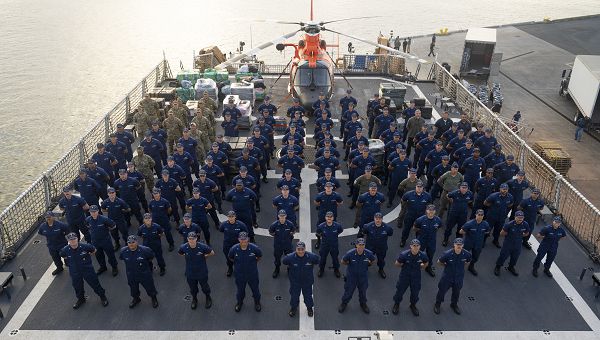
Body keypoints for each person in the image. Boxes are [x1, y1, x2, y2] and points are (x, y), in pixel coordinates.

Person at [60, 233, 109, 309]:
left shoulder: (85, 246)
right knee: (77, 286)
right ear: (68, 241)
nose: (73, 241)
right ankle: (81, 299)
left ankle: (102, 296)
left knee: (95, 283)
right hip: (75, 272)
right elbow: (63, 255)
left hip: (87, 270)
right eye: (71, 240)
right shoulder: (65, 250)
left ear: (77, 239)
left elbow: (94, 250)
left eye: (74, 239)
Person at [119, 235, 159, 308]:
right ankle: (136, 299)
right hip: (131, 274)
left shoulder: (145, 250)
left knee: (150, 287)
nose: (131, 244)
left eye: (133, 242)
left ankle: (154, 298)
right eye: (129, 242)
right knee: (133, 289)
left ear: (136, 242)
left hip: (144, 274)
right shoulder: (123, 251)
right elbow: (121, 258)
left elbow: (151, 257)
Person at [338, 238, 376, 314]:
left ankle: (363, 304)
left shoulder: (369, 253)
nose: (361, 247)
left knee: (363, 292)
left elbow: (373, 260)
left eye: (363, 245)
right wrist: (349, 264)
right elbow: (343, 261)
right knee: (348, 291)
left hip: (363, 277)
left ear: (365, 245)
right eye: (359, 245)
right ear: (356, 245)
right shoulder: (350, 253)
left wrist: (369, 264)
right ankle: (344, 303)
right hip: (352, 277)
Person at [392, 239, 429, 316]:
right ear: (411, 246)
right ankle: (396, 304)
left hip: (416, 277)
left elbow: (426, 262)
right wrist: (404, 266)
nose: (415, 247)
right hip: (405, 276)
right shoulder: (404, 255)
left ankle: (413, 305)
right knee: (400, 291)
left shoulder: (423, 255)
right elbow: (397, 263)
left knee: (415, 293)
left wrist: (422, 266)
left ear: (420, 247)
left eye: (417, 246)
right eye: (414, 246)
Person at [283, 241, 320, 317]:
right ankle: (293, 308)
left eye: (302, 249)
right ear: (296, 249)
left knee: (308, 296)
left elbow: (317, 260)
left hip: (307, 282)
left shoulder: (311, 257)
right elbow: (284, 261)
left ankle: (309, 308)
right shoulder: (290, 257)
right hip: (295, 282)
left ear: (305, 249)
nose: (300, 251)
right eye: (298, 249)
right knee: (294, 296)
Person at [178, 231, 214, 309]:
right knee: (193, 288)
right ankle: (194, 299)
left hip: (201, 271)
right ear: (187, 239)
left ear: (196, 239)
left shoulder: (202, 246)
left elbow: (212, 252)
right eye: (190, 239)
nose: (191, 240)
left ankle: (208, 297)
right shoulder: (184, 247)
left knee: (205, 287)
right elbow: (180, 253)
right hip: (190, 272)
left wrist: (206, 256)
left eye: (193, 239)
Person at [229, 232, 263, 312]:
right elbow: (231, 258)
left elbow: (259, 256)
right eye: (241, 240)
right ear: (238, 239)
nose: (243, 241)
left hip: (252, 274)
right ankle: (239, 302)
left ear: (248, 239)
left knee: (255, 290)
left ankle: (257, 302)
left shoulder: (254, 248)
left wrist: (253, 264)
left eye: (245, 239)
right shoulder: (234, 249)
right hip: (240, 275)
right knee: (240, 291)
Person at [85, 205, 119, 276]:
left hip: (106, 241)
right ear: (90, 212)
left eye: (95, 211)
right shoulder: (88, 219)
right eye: (92, 212)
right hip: (95, 242)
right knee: (98, 255)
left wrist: (106, 231)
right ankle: (103, 267)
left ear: (98, 211)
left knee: (110, 255)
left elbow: (113, 226)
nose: (93, 213)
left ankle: (114, 267)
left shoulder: (104, 219)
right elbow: (87, 226)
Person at [494, 211, 529, 276]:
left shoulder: (525, 224)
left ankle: (511, 267)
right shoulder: (509, 224)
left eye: (521, 217)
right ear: (515, 217)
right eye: (518, 217)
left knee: (515, 257)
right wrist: (510, 234)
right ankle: (498, 266)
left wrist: (519, 235)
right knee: (503, 256)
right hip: (508, 244)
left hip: (518, 244)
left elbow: (527, 233)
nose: (520, 219)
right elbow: (501, 233)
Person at [400, 181, 432, 246]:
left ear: (423, 188)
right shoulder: (408, 194)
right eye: (418, 187)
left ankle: (417, 243)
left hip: (420, 217)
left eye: (420, 187)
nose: (419, 188)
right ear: (416, 187)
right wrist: (404, 208)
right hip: (410, 216)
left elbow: (429, 205)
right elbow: (403, 200)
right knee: (406, 230)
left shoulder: (427, 196)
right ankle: (403, 241)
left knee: (419, 231)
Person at [413, 205, 442, 277]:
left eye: (432, 210)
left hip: (432, 240)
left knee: (430, 255)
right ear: (426, 211)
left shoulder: (438, 220)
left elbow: (438, 227)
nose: (431, 212)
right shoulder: (420, 220)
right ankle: (415, 267)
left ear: (435, 211)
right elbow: (415, 228)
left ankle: (428, 267)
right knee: (418, 254)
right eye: (429, 210)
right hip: (421, 240)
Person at [459, 210, 490, 275]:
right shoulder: (469, 223)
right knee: (463, 255)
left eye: (481, 215)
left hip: (478, 244)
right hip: (468, 243)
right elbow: (461, 231)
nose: (480, 216)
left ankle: (471, 266)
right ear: (476, 215)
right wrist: (468, 233)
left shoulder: (485, 224)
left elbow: (487, 231)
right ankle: (460, 267)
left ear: (483, 216)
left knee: (475, 257)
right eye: (479, 215)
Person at [363, 212, 394, 278]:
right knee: (366, 259)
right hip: (370, 247)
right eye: (376, 218)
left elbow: (390, 233)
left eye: (379, 218)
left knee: (381, 260)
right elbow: (365, 232)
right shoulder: (368, 226)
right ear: (374, 219)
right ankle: (364, 269)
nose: (378, 220)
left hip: (381, 248)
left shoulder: (387, 228)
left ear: (382, 219)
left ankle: (381, 269)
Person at [219, 211, 249, 277]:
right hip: (227, 245)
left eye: (232, 216)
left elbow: (246, 233)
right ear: (228, 217)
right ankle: (230, 268)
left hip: (238, 245)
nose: (231, 218)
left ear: (235, 217)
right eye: (229, 217)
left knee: (239, 258)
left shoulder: (241, 225)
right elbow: (221, 230)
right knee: (228, 258)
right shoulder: (224, 224)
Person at [484, 183, 514, 248]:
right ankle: (483, 241)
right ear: (500, 189)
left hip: (501, 217)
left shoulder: (510, 197)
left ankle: (495, 240)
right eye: (503, 189)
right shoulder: (493, 196)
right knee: (487, 229)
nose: (505, 190)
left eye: (506, 189)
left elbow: (510, 205)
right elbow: (485, 203)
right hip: (492, 216)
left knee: (498, 230)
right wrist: (492, 208)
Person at [268, 210, 296, 278]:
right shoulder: (274, 225)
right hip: (278, 245)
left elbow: (293, 231)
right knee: (277, 258)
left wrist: (290, 236)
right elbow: (271, 232)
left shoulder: (290, 224)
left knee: (289, 257)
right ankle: (277, 269)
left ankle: (289, 268)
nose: (282, 217)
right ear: (278, 216)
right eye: (281, 216)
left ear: (286, 216)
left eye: (283, 216)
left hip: (287, 244)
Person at [316, 211, 344, 277]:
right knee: (323, 258)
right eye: (328, 217)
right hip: (324, 245)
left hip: (334, 245)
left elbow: (340, 231)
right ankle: (321, 269)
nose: (329, 218)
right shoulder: (321, 226)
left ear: (333, 218)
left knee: (335, 258)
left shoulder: (338, 226)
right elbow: (318, 233)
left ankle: (336, 269)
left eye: (331, 217)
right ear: (325, 217)